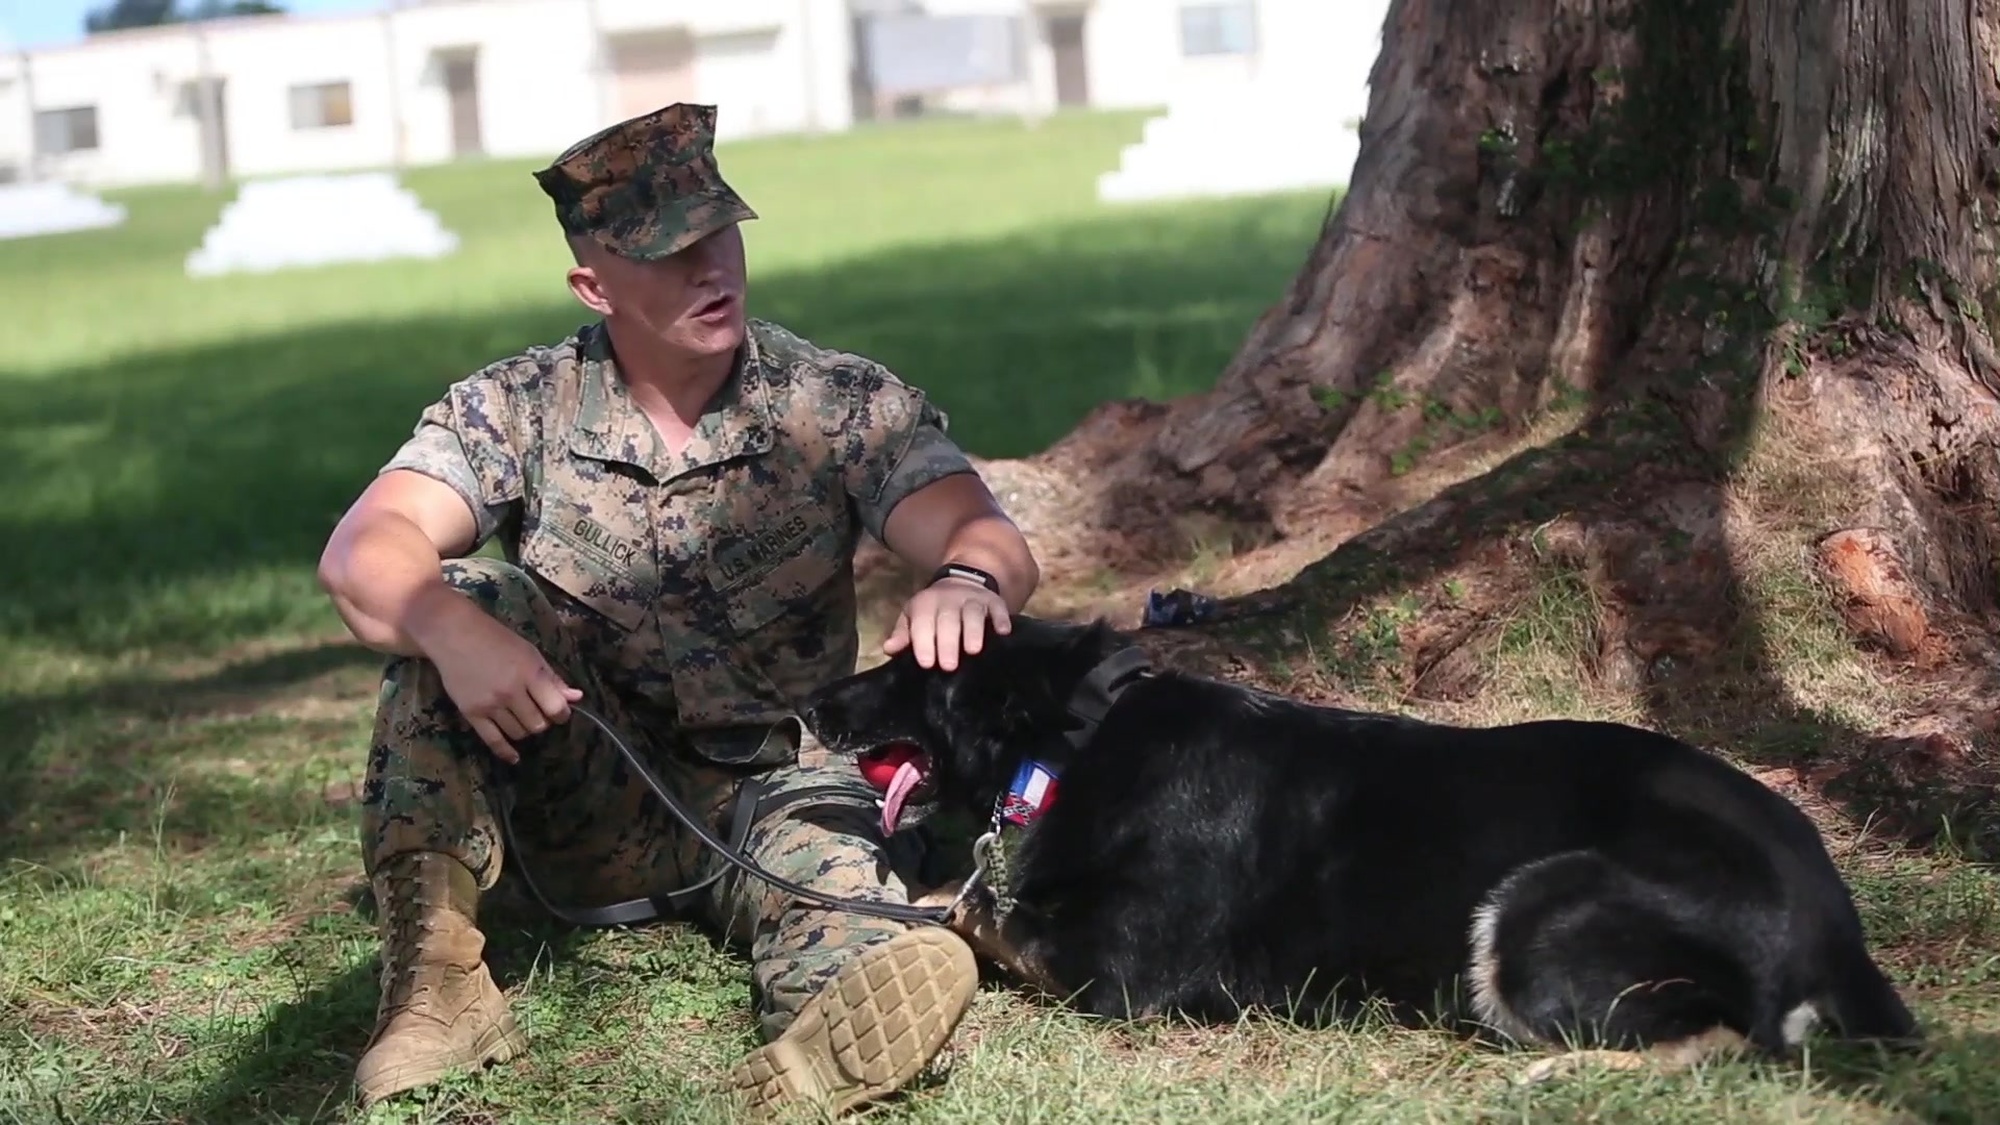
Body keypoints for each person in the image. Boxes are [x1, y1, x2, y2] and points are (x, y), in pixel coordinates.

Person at [315, 101, 1040, 1119]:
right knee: (464, 595)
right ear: (592, 284)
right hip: (592, 786)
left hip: (787, 785)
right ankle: (438, 991)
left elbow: (986, 536)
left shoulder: (830, 399)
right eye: (669, 255)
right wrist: (450, 626)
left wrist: (964, 582)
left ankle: (819, 1043)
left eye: (720, 237)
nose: (711, 271)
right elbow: (364, 550)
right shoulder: (519, 404)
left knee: (849, 915)